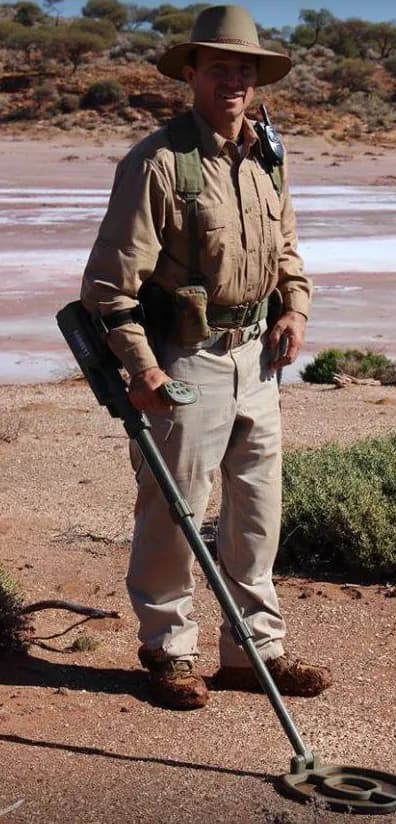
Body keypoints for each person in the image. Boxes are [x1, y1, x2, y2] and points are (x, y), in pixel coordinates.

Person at [81, 4, 332, 710]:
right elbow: (106, 287)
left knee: (256, 514)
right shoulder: (157, 163)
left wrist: (295, 307)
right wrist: (144, 369)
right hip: (183, 364)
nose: (233, 80)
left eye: (244, 69)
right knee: (174, 512)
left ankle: (256, 652)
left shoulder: (268, 157)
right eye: (219, 66)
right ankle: (170, 650)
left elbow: (287, 249)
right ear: (190, 73)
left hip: (257, 362)